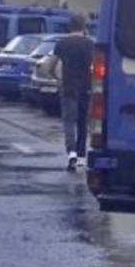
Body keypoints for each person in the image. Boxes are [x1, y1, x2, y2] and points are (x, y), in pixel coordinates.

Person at [52, 14, 94, 172]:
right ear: (84, 27)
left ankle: (71, 154)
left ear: (70, 26)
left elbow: (50, 65)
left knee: (69, 121)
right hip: (86, 88)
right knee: (83, 122)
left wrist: (57, 77)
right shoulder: (90, 44)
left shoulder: (62, 44)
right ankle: (82, 156)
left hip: (68, 87)